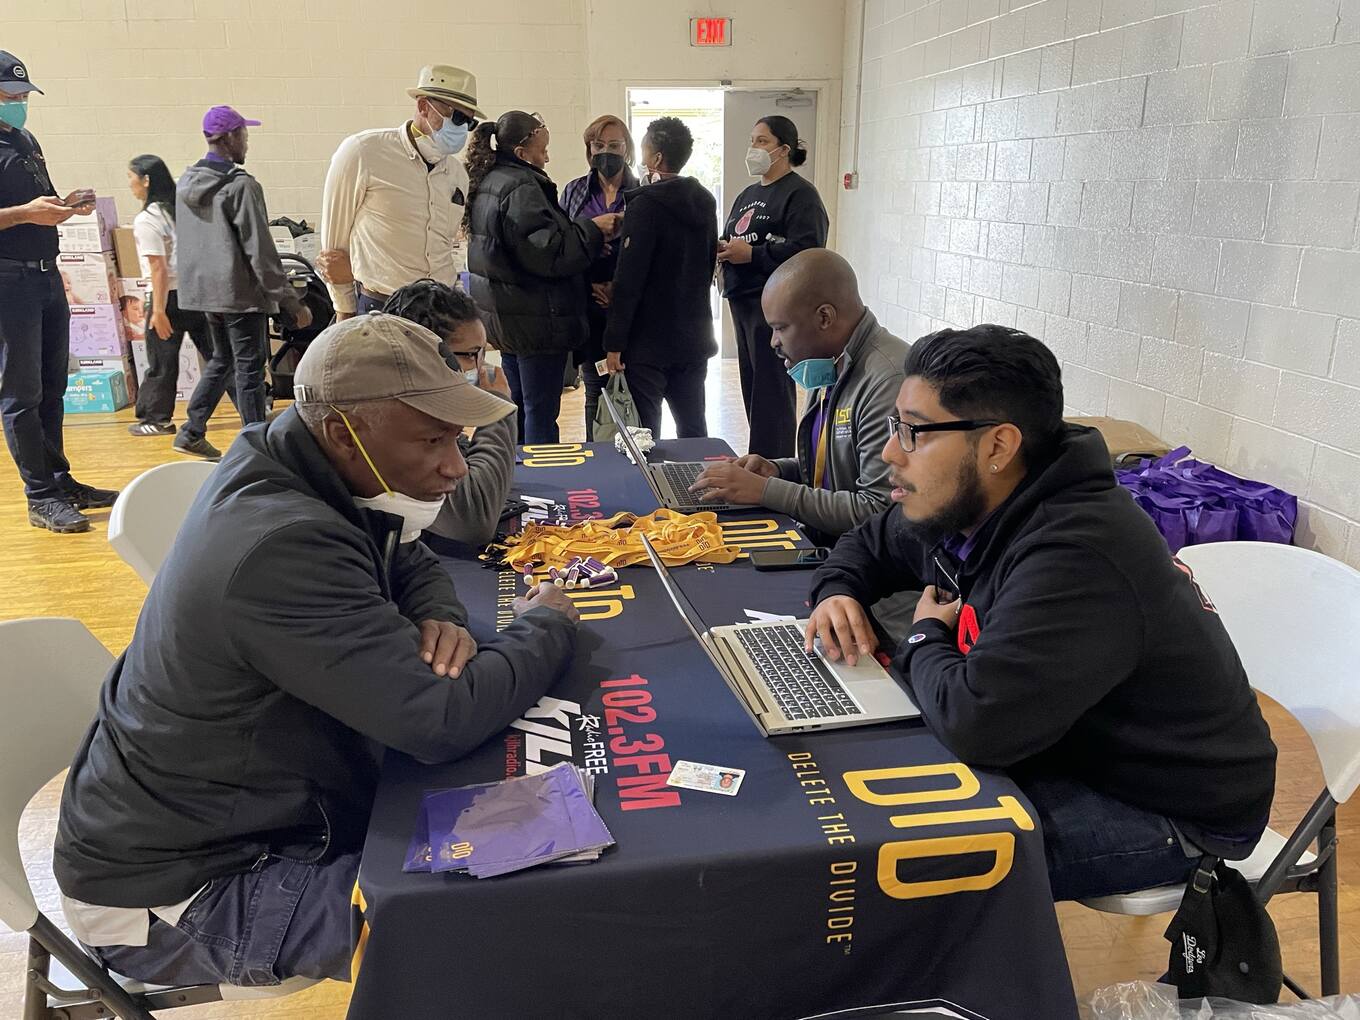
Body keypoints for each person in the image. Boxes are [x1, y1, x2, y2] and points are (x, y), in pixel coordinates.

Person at [54, 313, 581, 988]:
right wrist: (547, 626)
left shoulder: (297, 458)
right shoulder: (279, 545)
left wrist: (439, 615)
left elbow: (409, 555)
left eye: (458, 438)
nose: (455, 465)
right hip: (184, 895)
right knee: (491, 928)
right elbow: (438, 721)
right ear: (343, 431)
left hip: (234, 821)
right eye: (431, 440)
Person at [803, 325, 1278, 902]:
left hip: (1167, 808)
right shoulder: (973, 497)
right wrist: (837, 590)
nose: (889, 452)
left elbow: (978, 726)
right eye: (894, 427)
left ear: (998, 446)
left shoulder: (1078, 552)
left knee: (897, 864)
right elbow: (870, 543)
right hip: (1057, 743)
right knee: (849, 795)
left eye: (914, 433)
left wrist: (926, 637)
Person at [691, 250, 906, 545]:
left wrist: (767, 492)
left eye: (781, 327)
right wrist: (777, 470)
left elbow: (878, 511)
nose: (773, 342)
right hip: (829, 545)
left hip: (865, 566)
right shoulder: (827, 360)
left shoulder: (888, 381)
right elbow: (830, 472)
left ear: (825, 317)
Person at [0, 50, 118, 534]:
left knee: (53, 388)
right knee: (21, 393)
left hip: (47, 276)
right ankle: (40, 496)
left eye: (25, 95)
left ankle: (59, 479)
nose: (21, 103)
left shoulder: (24, 138)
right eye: (11, 95)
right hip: (9, 282)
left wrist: (65, 206)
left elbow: (34, 202)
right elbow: (22, 211)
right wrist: (25, 215)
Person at [464, 110, 621, 444]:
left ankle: (519, 477)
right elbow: (549, 252)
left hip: (509, 318)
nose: (547, 156)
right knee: (539, 411)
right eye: (543, 150)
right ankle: (544, 481)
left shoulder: (491, 180)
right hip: (536, 321)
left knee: (521, 406)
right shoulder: (522, 187)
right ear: (522, 153)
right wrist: (593, 230)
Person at [173, 105, 312, 461]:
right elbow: (260, 250)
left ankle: (191, 430)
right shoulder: (242, 186)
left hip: (204, 293)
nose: (247, 142)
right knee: (250, 367)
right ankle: (257, 446)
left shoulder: (186, 182)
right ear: (231, 137)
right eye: (245, 135)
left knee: (222, 359)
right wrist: (291, 302)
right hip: (238, 293)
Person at [318, 65, 482, 319]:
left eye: (469, 122)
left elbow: (443, 247)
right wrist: (345, 312)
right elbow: (334, 252)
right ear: (424, 106)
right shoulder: (364, 152)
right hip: (382, 305)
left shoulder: (457, 175)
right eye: (457, 118)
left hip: (441, 309)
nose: (461, 129)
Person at [718, 115, 828, 459]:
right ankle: (757, 458)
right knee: (753, 389)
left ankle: (775, 464)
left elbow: (807, 251)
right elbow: (732, 236)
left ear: (784, 149)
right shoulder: (748, 194)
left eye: (762, 141)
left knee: (771, 391)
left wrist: (752, 254)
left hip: (776, 308)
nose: (754, 148)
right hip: (742, 301)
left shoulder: (800, 195)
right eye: (752, 141)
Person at [602, 116, 717, 439]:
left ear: (655, 159)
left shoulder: (645, 205)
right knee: (694, 428)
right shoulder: (705, 201)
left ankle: (649, 489)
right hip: (694, 337)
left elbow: (629, 280)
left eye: (643, 150)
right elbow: (708, 265)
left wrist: (614, 343)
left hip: (647, 343)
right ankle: (699, 486)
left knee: (644, 433)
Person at [384, 279, 516, 545]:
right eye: (471, 355)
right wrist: (499, 409)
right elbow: (474, 518)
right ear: (425, 355)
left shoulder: (421, 405)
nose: (481, 368)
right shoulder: (396, 419)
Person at [125, 153, 229, 437]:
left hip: (168, 298)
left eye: (131, 178)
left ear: (146, 181)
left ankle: (156, 419)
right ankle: (254, 403)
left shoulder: (148, 219)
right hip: (197, 293)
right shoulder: (183, 210)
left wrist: (157, 310)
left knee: (161, 361)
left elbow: (158, 268)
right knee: (221, 355)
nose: (130, 185)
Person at [561, 114, 637, 438]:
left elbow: (653, 253)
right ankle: (597, 457)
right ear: (589, 149)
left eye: (615, 145)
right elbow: (563, 245)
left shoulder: (643, 193)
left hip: (631, 308)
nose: (606, 151)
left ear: (627, 149)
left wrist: (618, 288)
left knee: (632, 390)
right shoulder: (575, 191)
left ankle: (635, 461)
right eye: (599, 145)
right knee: (595, 389)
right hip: (588, 304)